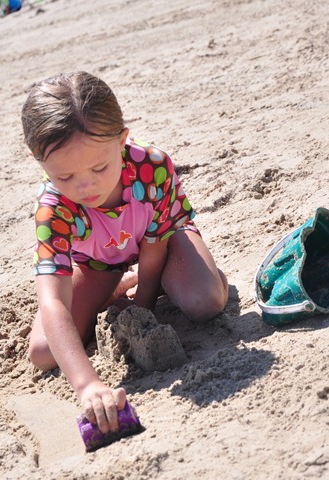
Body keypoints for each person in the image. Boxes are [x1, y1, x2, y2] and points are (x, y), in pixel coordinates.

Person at [21, 71, 229, 434]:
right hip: (100, 261)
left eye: (100, 167)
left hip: (162, 239)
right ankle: (118, 284)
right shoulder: (52, 208)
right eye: (64, 177)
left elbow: (155, 241)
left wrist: (144, 305)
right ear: (39, 161)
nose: (86, 186)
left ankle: (194, 274)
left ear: (121, 140)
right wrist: (88, 385)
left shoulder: (152, 167)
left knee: (204, 300)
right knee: (42, 351)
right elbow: (51, 301)